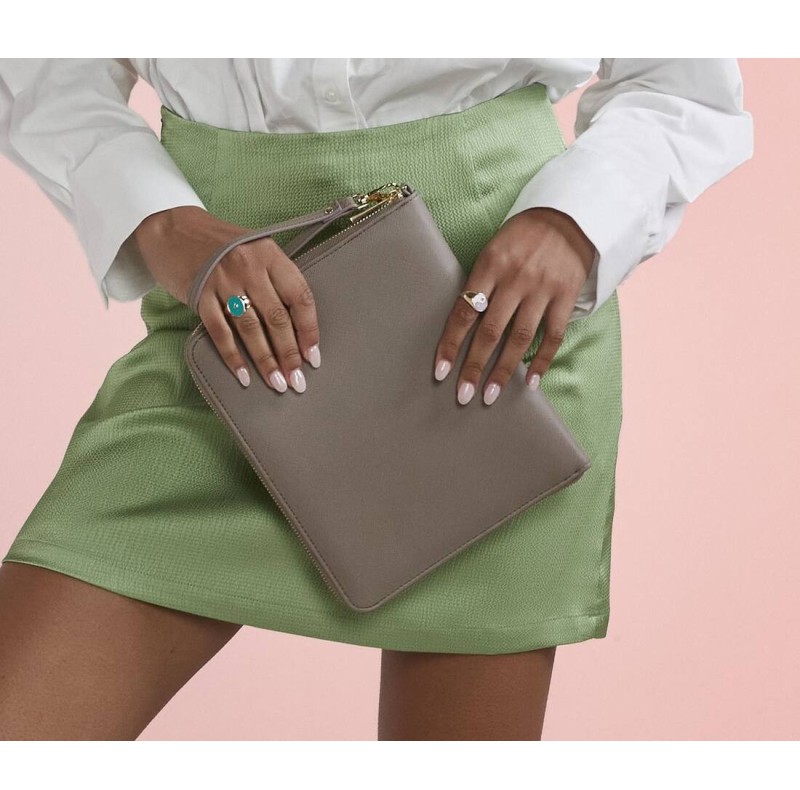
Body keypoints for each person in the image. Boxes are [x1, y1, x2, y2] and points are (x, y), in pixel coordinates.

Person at [0, 59, 754, 741]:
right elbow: (40, 67)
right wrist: (161, 222)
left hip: (485, 333)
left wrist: (572, 224)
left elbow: (679, 78)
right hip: (229, 329)